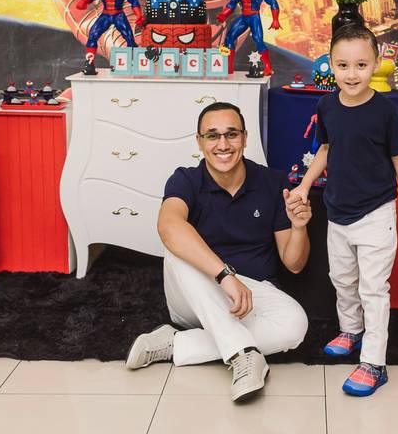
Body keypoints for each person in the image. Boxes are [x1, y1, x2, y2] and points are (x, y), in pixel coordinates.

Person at [125, 102, 312, 402]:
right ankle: (243, 354)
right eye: (212, 136)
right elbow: (168, 226)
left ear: (245, 138)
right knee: (178, 248)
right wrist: (225, 276)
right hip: (196, 294)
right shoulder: (185, 179)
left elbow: (294, 264)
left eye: (231, 134)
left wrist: (300, 226)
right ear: (199, 141)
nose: (223, 145)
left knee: (295, 324)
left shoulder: (272, 182)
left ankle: (177, 344)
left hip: (252, 295)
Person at [290, 24, 398, 397]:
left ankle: (374, 362)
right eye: (344, 65)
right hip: (337, 212)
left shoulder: (384, 112)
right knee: (342, 279)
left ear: (376, 64)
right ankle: (351, 329)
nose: (352, 74)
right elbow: (325, 150)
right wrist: (303, 185)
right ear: (331, 65)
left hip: (377, 213)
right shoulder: (327, 105)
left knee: (372, 289)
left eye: (362, 65)